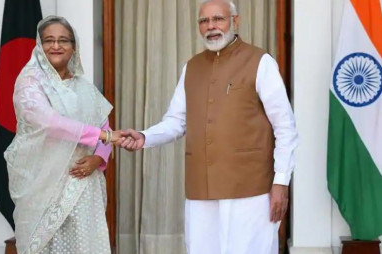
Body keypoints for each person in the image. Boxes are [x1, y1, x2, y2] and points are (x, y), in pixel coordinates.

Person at [116, 0, 298, 253]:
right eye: (204, 21)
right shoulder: (191, 67)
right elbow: (176, 122)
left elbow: (285, 127)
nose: (211, 26)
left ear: (235, 21)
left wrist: (281, 182)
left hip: (251, 188)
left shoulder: (260, 62)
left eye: (218, 19)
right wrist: (144, 137)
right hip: (201, 187)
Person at [4, 16, 121, 254]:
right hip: (43, 183)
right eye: (49, 40)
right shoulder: (30, 82)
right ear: (39, 46)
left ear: (73, 47)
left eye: (63, 40)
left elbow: (105, 127)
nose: (56, 46)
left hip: (83, 183)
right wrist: (102, 136)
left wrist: (98, 159)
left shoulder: (84, 87)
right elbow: (49, 123)